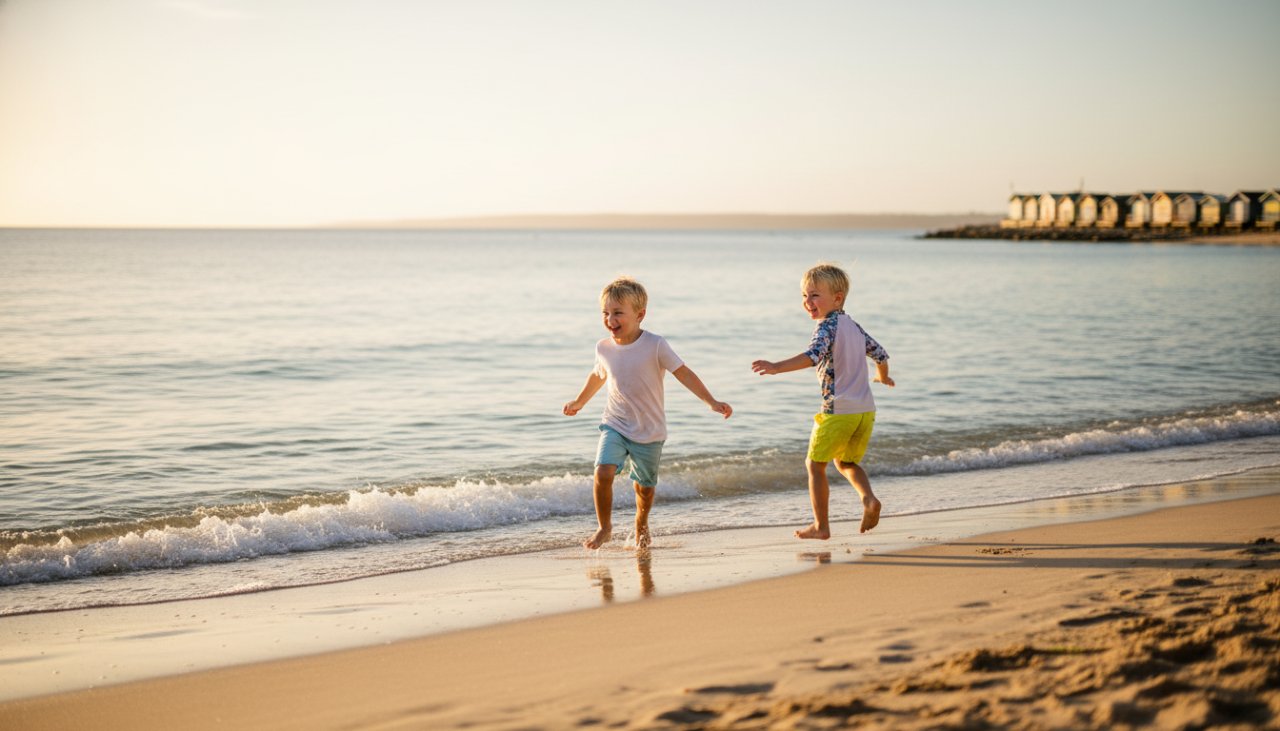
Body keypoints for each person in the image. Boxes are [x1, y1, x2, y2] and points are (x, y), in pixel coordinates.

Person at [564, 277, 732, 550]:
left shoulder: (655, 344)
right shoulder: (603, 347)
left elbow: (683, 373)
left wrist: (710, 401)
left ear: (640, 314)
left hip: (650, 430)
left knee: (644, 489)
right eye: (605, 313)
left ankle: (641, 523)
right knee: (603, 472)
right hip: (615, 424)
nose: (610, 319)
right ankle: (604, 527)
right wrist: (579, 401)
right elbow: (598, 375)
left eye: (618, 313)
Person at [751, 263, 894, 540]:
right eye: (804, 296)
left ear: (837, 298)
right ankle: (869, 499)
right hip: (865, 410)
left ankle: (821, 526)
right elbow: (881, 354)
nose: (807, 302)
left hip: (837, 410)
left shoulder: (826, 327)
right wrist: (883, 377)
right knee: (846, 463)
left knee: (815, 465)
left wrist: (776, 366)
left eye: (814, 295)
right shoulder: (853, 326)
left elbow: (813, 355)